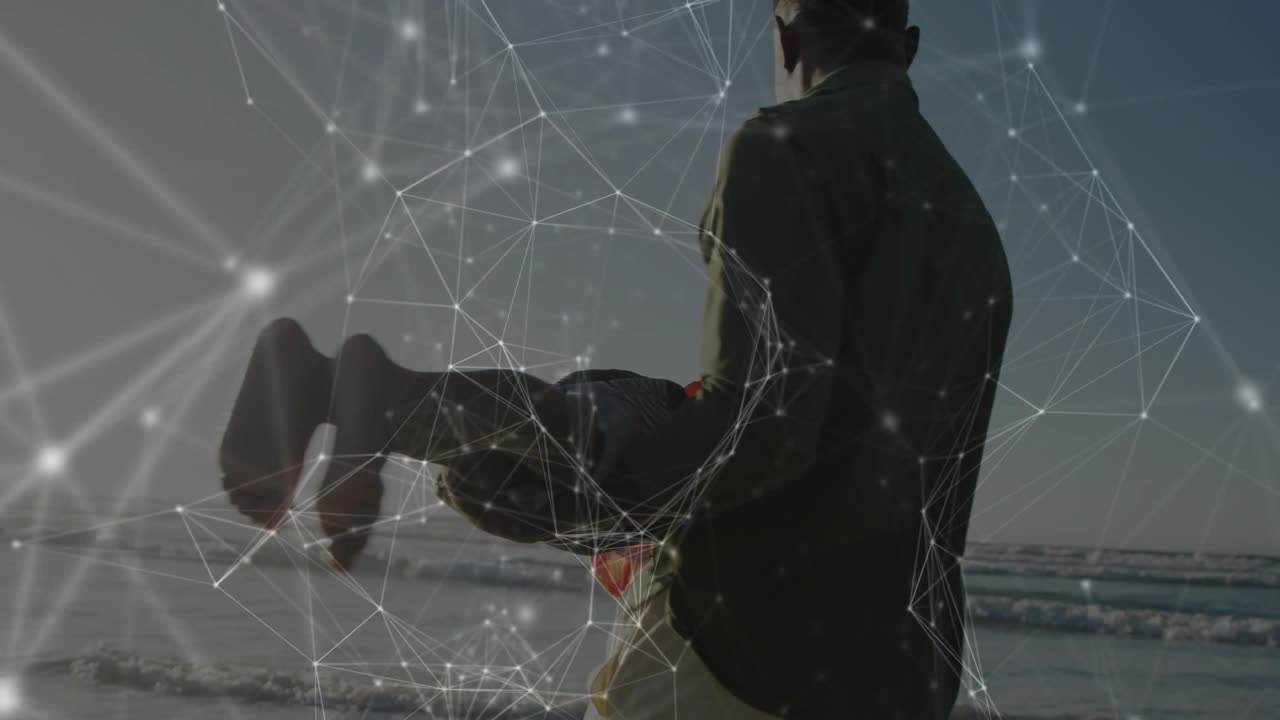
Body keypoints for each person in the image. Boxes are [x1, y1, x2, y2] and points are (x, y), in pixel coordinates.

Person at [219, 0, 1013, 717]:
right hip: (900, 668)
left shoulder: (786, 147)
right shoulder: (977, 234)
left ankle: (364, 391)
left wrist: (592, 509)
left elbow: (765, 423)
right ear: (907, 47)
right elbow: (936, 499)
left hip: (749, 655)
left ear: (787, 33)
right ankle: (367, 393)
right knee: (594, 424)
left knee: (593, 430)